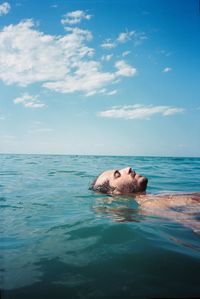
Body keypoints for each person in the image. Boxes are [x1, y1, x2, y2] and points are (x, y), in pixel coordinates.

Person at [90, 166, 200, 233]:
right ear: (115, 192)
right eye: (117, 174)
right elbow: (193, 225)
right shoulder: (149, 205)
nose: (128, 168)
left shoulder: (158, 195)